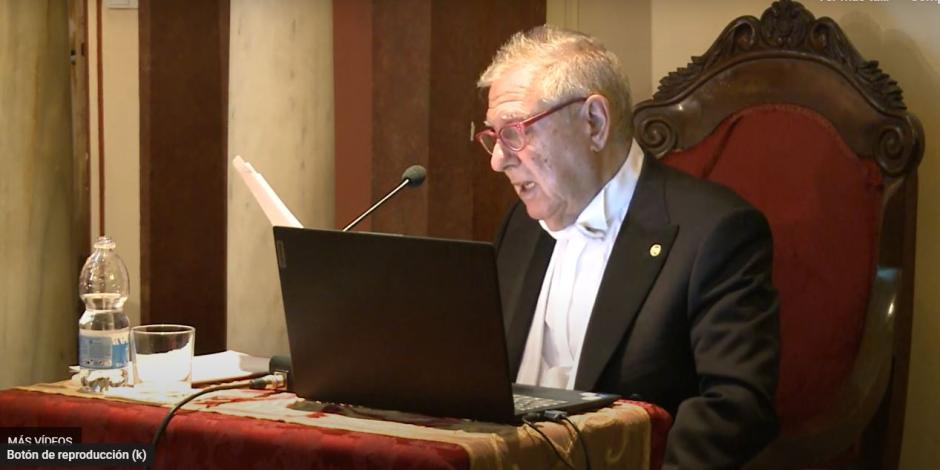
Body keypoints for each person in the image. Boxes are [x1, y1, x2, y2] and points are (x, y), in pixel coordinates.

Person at [476, 25, 779, 468]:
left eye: (515, 133)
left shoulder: (717, 232)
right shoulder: (519, 228)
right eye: (493, 136)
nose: (497, 160)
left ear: (594, 123)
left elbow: (736, 408)